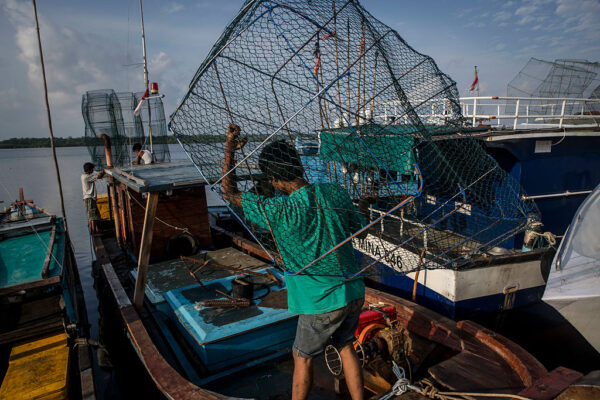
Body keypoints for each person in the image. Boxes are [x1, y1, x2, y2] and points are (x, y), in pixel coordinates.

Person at [222, 124, 366, 400]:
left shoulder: (278, 211)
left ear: (274, 179)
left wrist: (230, 148)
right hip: (353, 290)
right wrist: (361, 206)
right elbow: (358, 226)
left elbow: (229, 193)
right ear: (298, 164)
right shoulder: (334, 191)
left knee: (301, 356)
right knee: (345, 345)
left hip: (321, 301)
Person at [81, 162, 105, 234]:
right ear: (89, 170)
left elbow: (95, 175)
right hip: (89, 198)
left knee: (91, 215)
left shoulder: (83, 176)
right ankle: (94, 232)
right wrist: (104, 171)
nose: (93, 170)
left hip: (88, 198)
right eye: (92, 169)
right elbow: (99, 176)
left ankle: (93, 231)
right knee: (93, 216)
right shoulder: (86, 177)